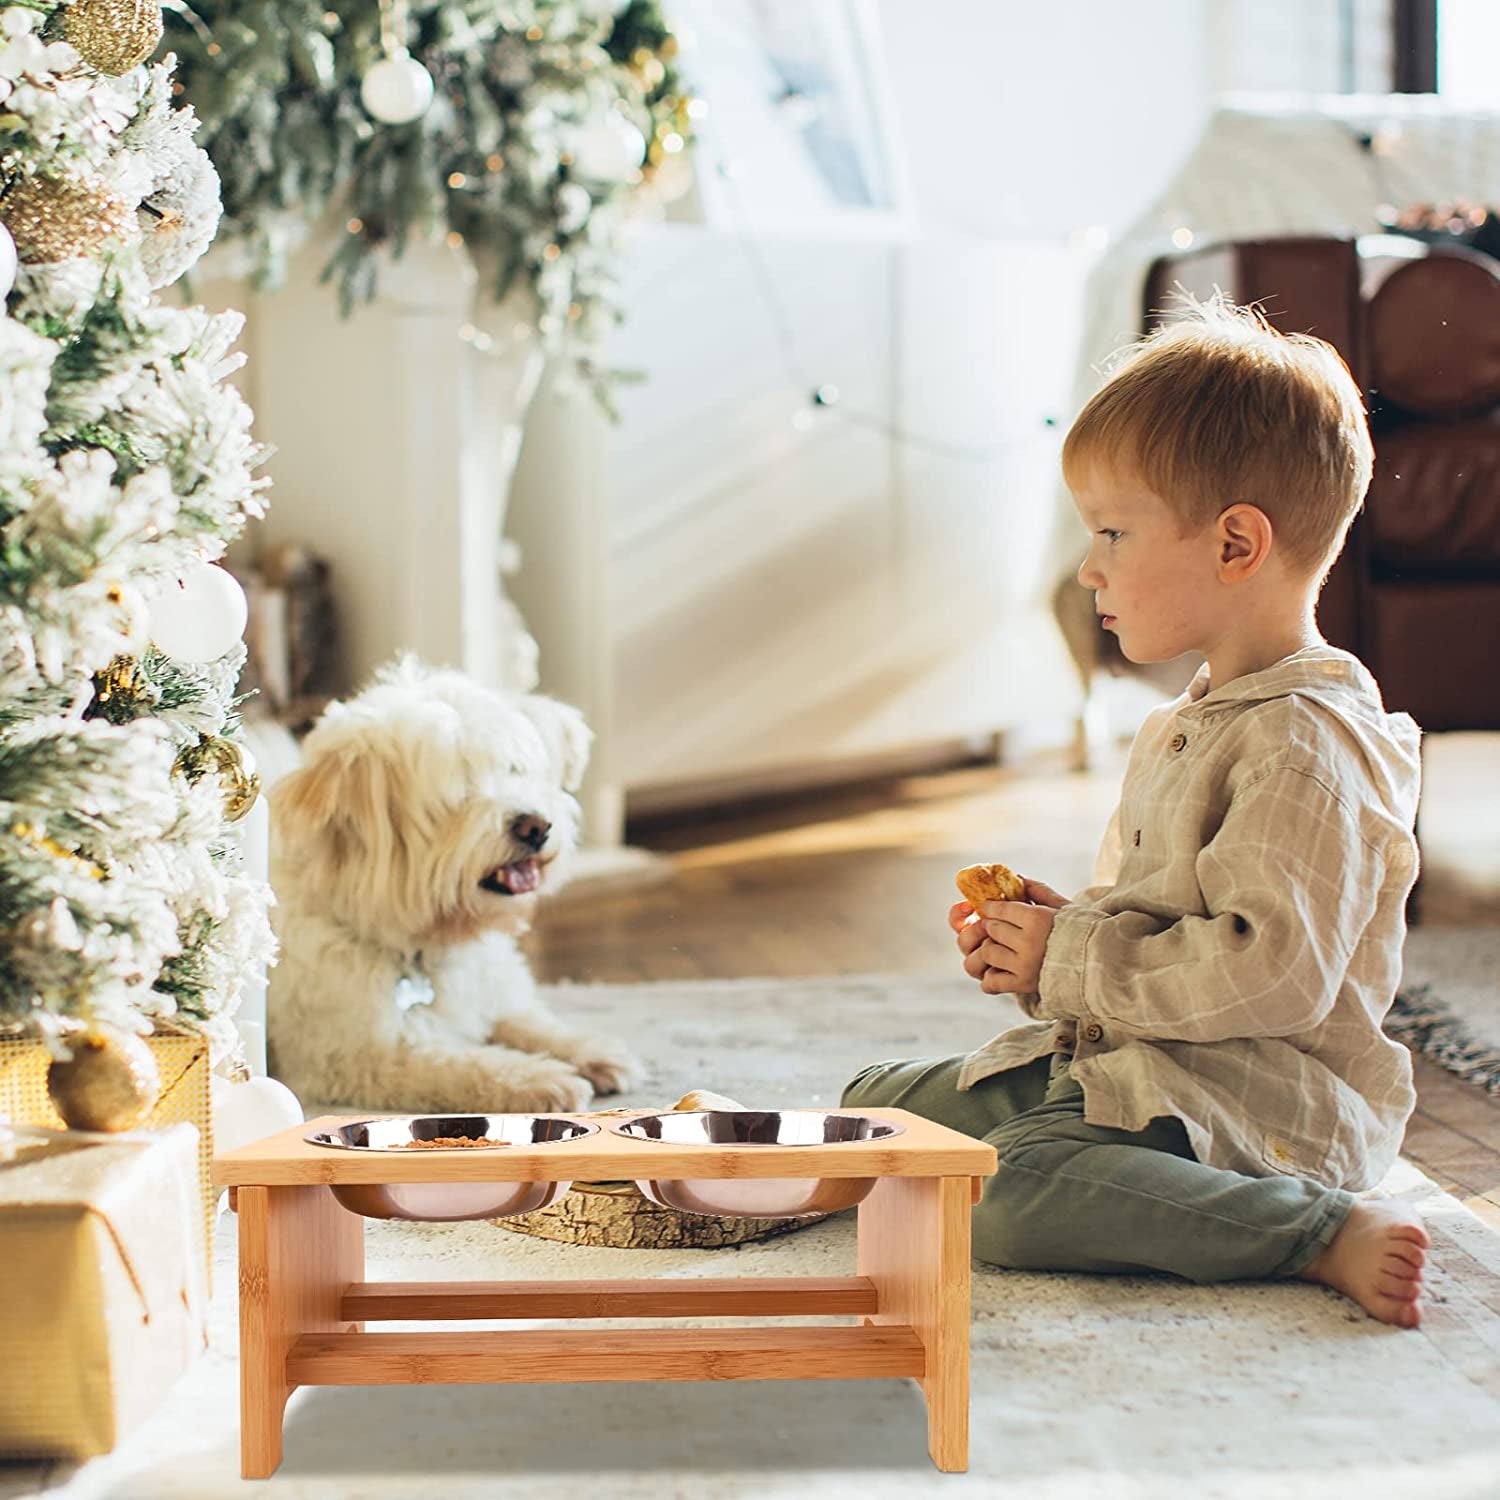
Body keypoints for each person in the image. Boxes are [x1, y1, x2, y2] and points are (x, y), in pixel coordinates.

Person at [843, 297, 1429, 1327]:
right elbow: (1173, 919)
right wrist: (1053, 938)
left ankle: (1311, 1230)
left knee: (1005, 1198)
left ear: (1236, 544)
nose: (1090, 565)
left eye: (1113, 530)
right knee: (871, 1110)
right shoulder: (1201, 716)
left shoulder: (1304, 746)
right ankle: (1075, 1163)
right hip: (1145, 1065)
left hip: (1254, 1109)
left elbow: (1272, 976)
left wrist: (1069, 957)